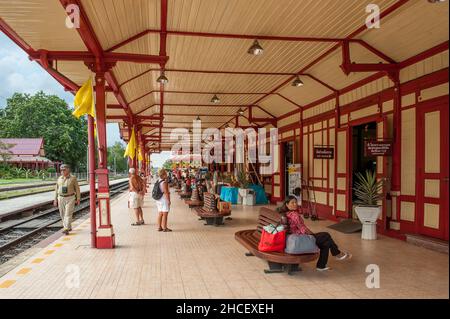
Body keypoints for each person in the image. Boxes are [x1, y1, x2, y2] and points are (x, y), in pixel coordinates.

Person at [279, 195, 351, 271]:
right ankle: (336, 254)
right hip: (300, 239)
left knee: (326, 243)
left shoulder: (286, 213)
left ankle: (322, 265)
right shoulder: (294, 214)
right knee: (326, 235)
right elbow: (303, 228)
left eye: (296, 202)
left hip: (292, 239)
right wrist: (312, 236)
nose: (295, 204)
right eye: (292, 203)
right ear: (287, 204)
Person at [54, 164, 81, 235]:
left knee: (68, 213)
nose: (62, 171)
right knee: (62, 214)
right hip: (60, 198)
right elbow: (56, 189)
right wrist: (55, 199)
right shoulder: (59, 178)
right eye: (61, 169)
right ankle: (68, 227)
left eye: (64, 169)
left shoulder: (73, 178)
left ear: (68, 170)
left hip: (70, 198)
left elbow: (77, 189)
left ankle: (66, 228)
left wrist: (78, 198)